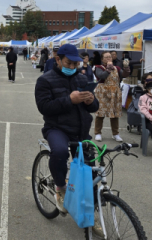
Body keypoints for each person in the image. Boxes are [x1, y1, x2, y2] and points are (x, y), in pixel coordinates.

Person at [35, 43, 99, 214]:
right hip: (56, 128)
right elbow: (44, 107)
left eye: (75, 64)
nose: (72, 67)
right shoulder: (45, 80)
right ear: (58, 59)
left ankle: (90, 214)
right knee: (60, 151)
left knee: (89, 173)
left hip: (80, 130)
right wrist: (69, 100)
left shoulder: (83, 78)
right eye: (68, 63)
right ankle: (61, 187)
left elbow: (94, 107)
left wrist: (90, 101)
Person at [93, 51, 130, 142]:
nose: (109, 58)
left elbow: (124, 75)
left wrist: (126, 67)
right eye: (106, 57)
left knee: (114, 114)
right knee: (100, 113)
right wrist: (108, 69)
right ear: (102, 59)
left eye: (110, 57)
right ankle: (98, 133)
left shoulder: (117, 68)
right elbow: (102, 76)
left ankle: (116, 134)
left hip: (114, 92)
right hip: (103, 92)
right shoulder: (98, 67)